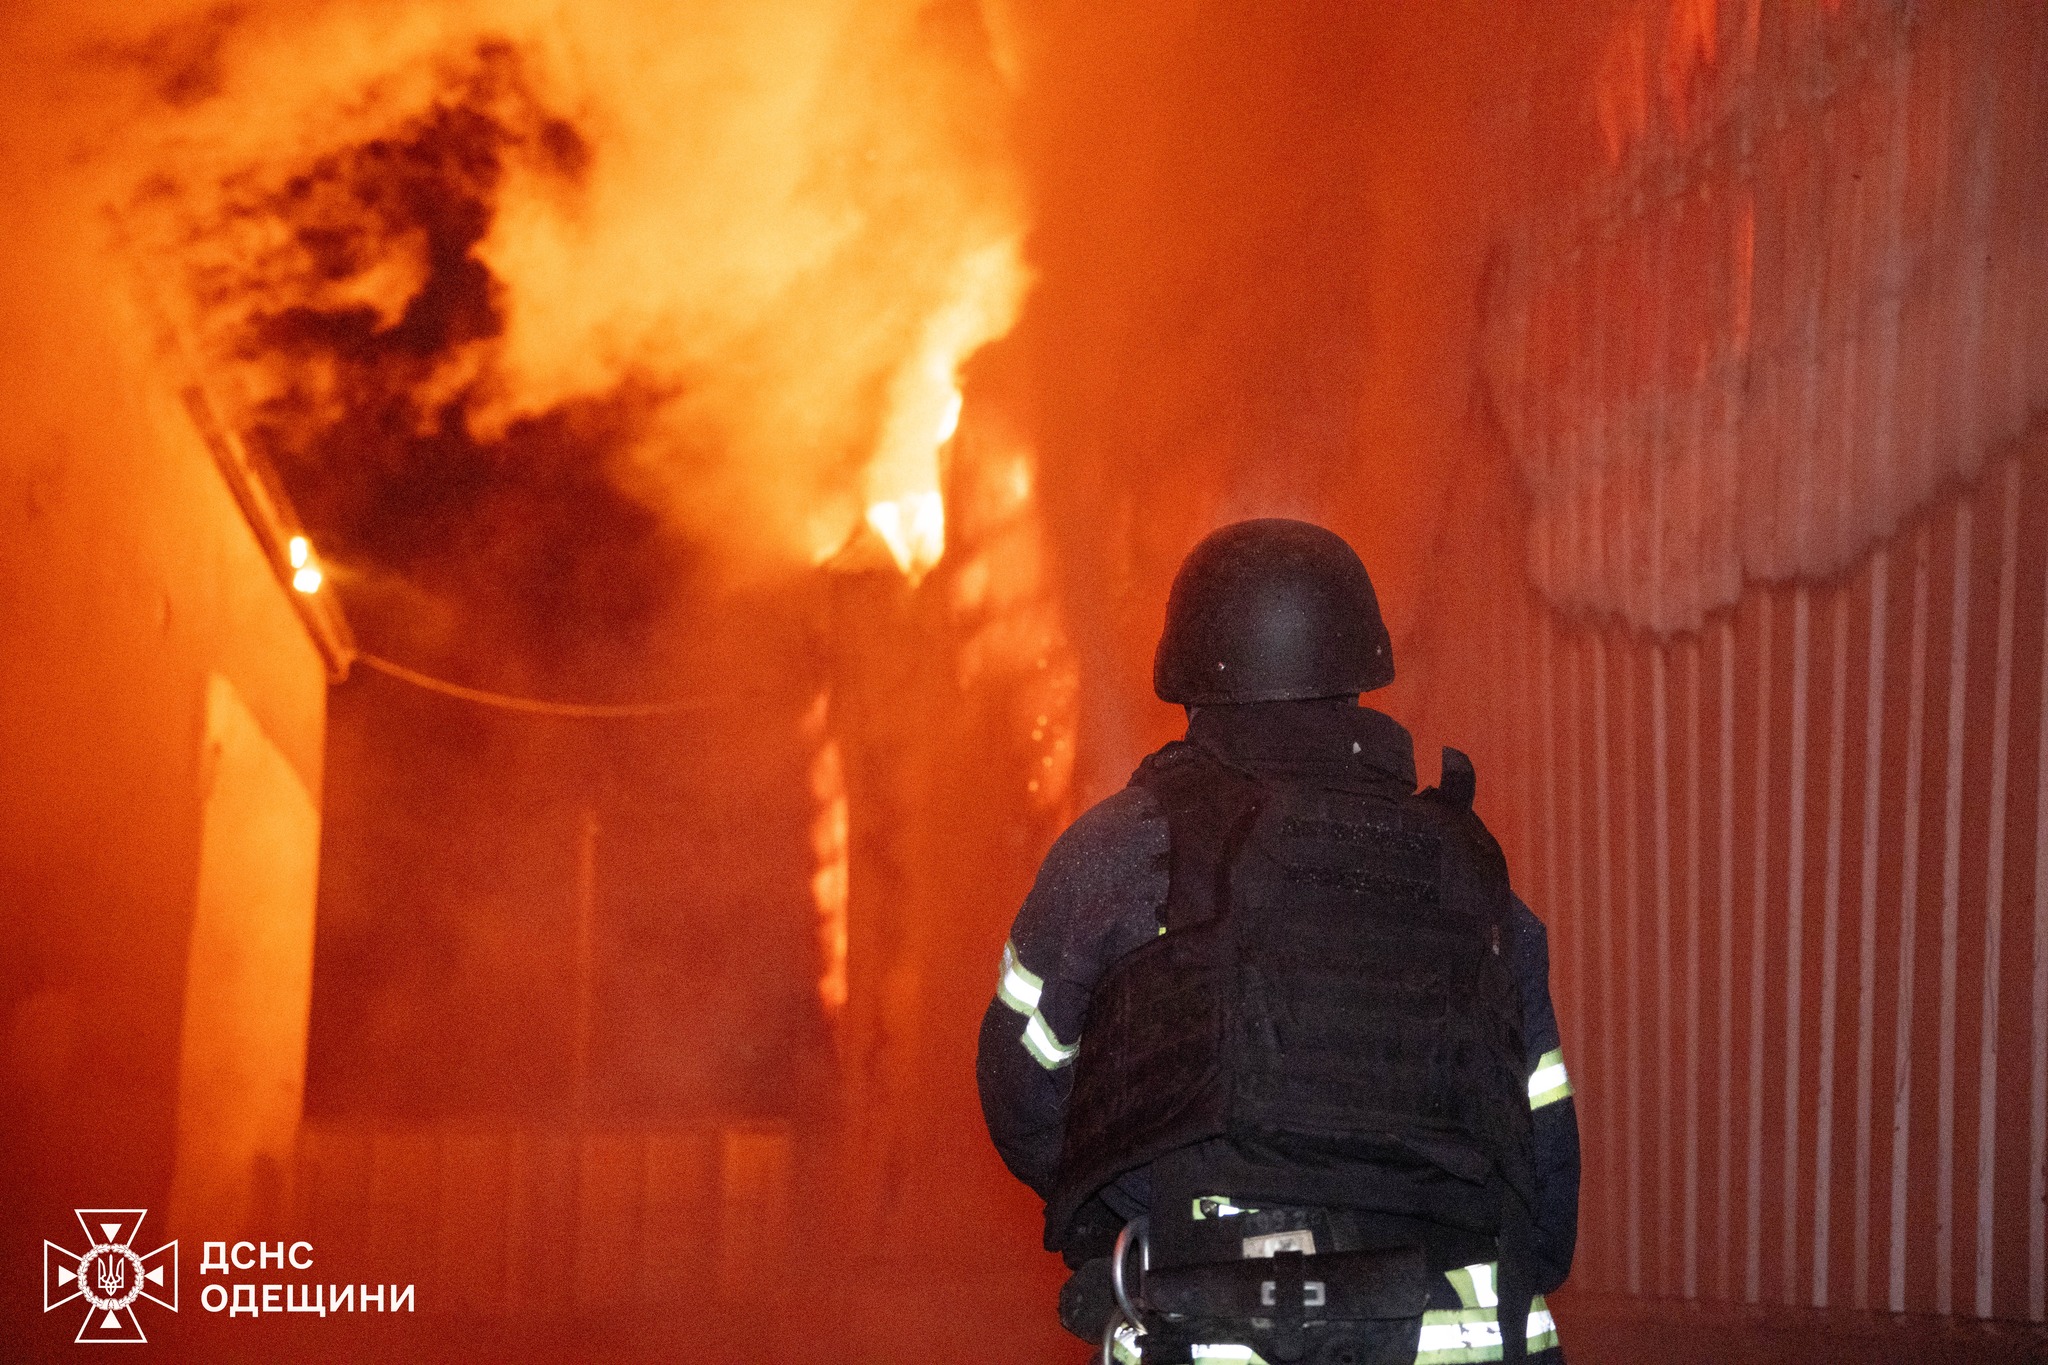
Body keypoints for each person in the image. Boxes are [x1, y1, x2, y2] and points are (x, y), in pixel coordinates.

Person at [976, 519, 1579, 1365]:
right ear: (1358, 674)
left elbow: (1024, 1095)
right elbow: (1545, 1177)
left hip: (1214, 1332)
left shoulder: (1120, 851)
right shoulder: (1466, 870)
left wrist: (1148, 1205)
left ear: (1190, 682)